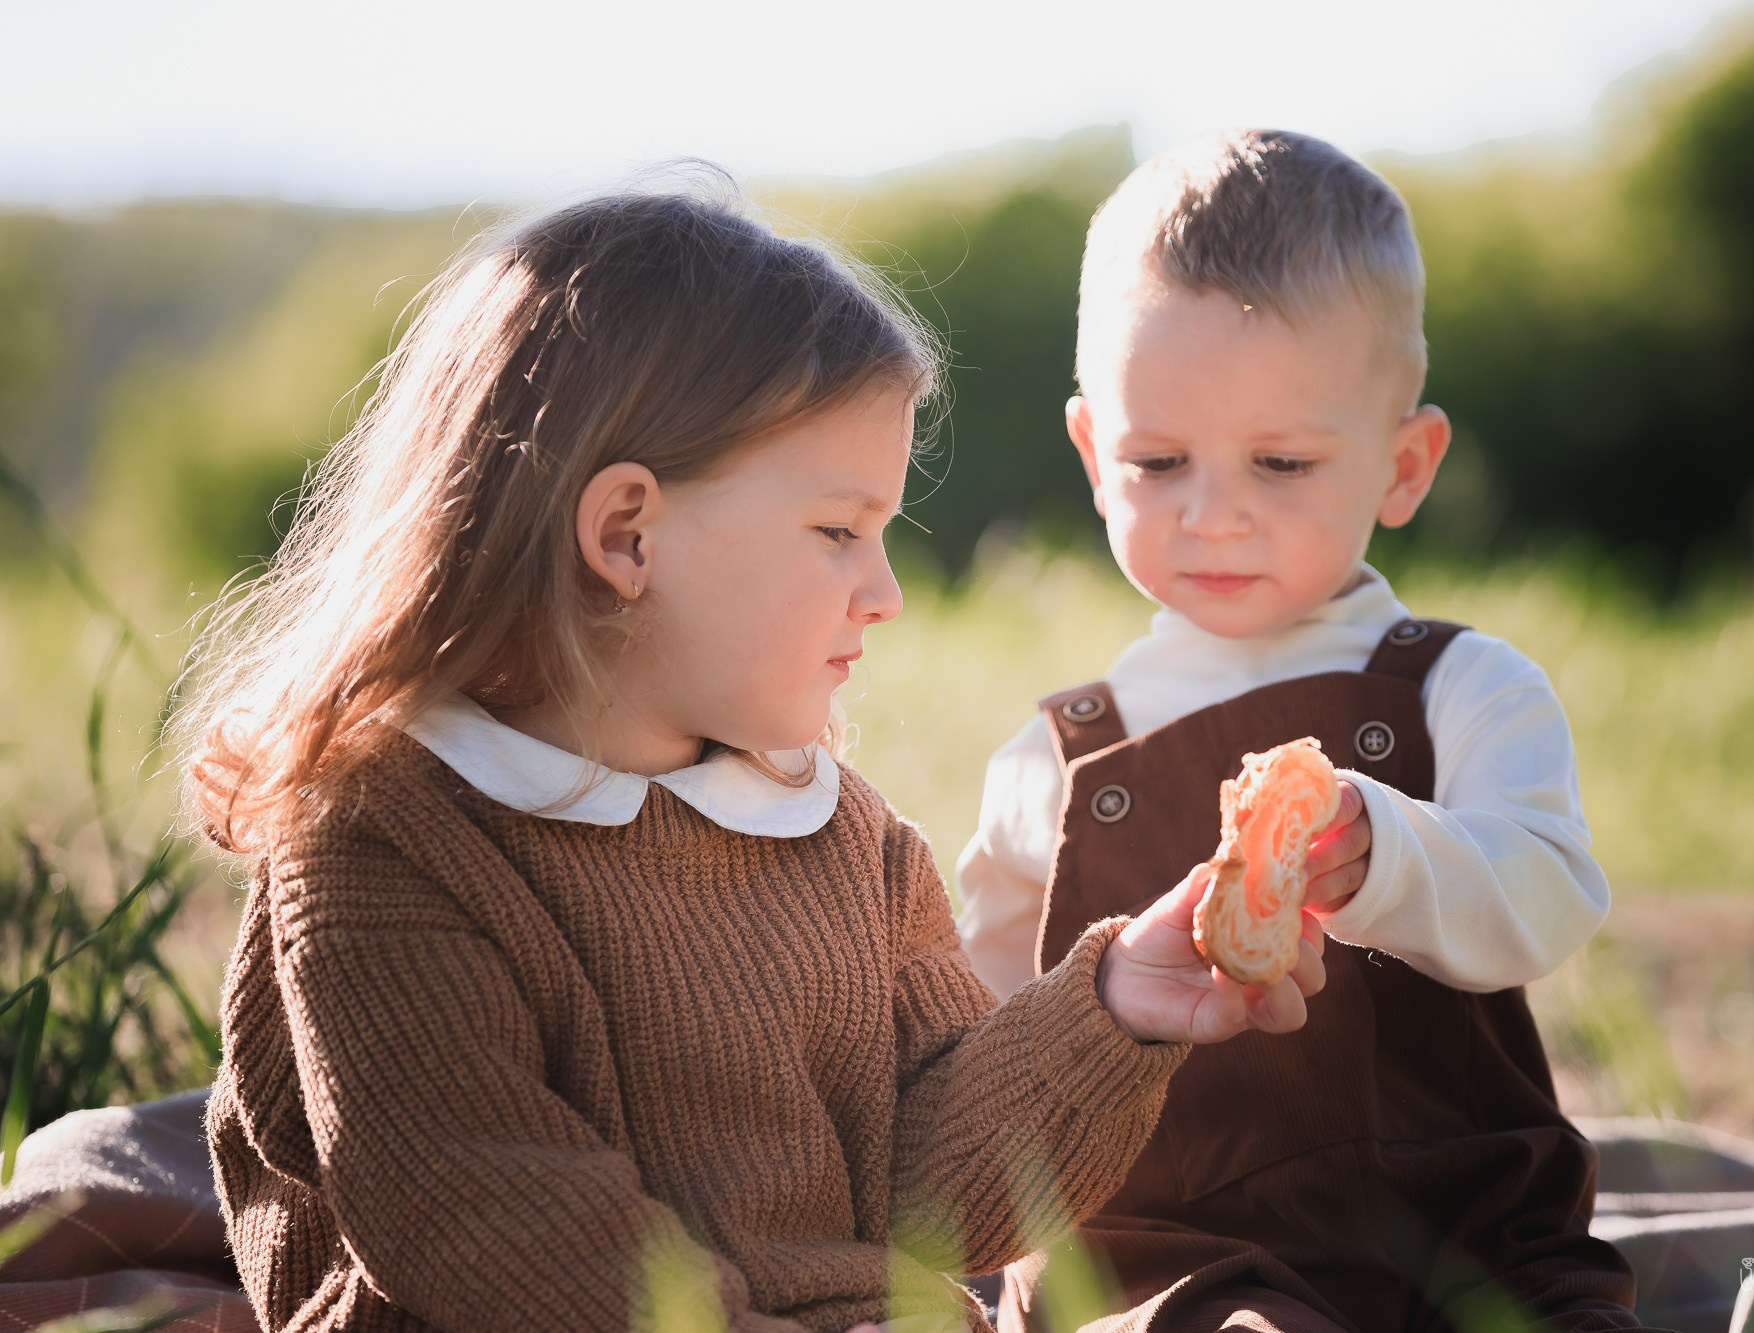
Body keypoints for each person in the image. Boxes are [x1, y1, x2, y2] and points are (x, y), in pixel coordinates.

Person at [173, 179, 1331, 1333]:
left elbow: (923, 1188)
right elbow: (500, 1234)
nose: (880, 594)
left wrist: (1117, 1002)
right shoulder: (388, 836)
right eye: (837, 532)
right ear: (627, 534)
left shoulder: (834, 831)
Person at [955, 131, 1668, 1333]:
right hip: (1162, 1248)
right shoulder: (1057, 760)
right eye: (1157, 460)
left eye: (1279, 462)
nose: (1213, 512)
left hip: (1469, 1225)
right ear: (1091, 454)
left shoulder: (1459, 688)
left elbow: (1543, 896)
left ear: (1403, 464)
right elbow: (976, 1022)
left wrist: (1383, 847)